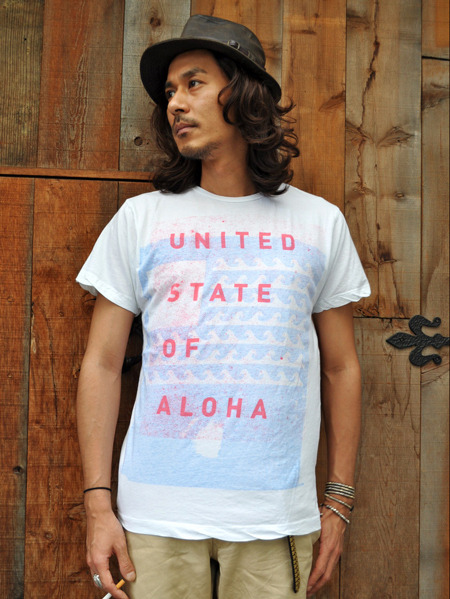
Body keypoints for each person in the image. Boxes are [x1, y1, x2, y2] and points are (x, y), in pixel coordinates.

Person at [76, 14, 370, 599]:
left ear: (243, 94)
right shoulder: (142, 220)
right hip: (153, 518)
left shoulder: (318, 223)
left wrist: (338, 502)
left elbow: (342, 368)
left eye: (194, 83)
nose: (175, 104)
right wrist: (97, 506)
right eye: (169, 92)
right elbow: (102, 364)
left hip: (273, 518)